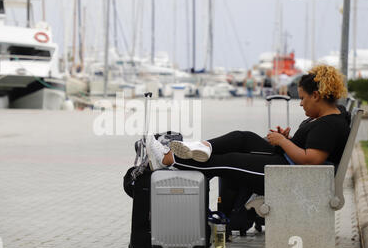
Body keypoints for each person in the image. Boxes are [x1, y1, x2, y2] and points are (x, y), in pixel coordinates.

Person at [146, 64, 350, 198]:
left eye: (303, 98)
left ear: (316, 96)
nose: (301, 103)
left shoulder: (328, 124)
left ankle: (169, 159)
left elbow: (310, 160)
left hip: (289, 176)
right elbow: (310, 149)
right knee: (241, 137)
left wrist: (282, 141)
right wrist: (287, 140)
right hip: (287, 164)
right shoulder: (330, 116)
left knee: (229, 161)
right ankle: (198, 148)